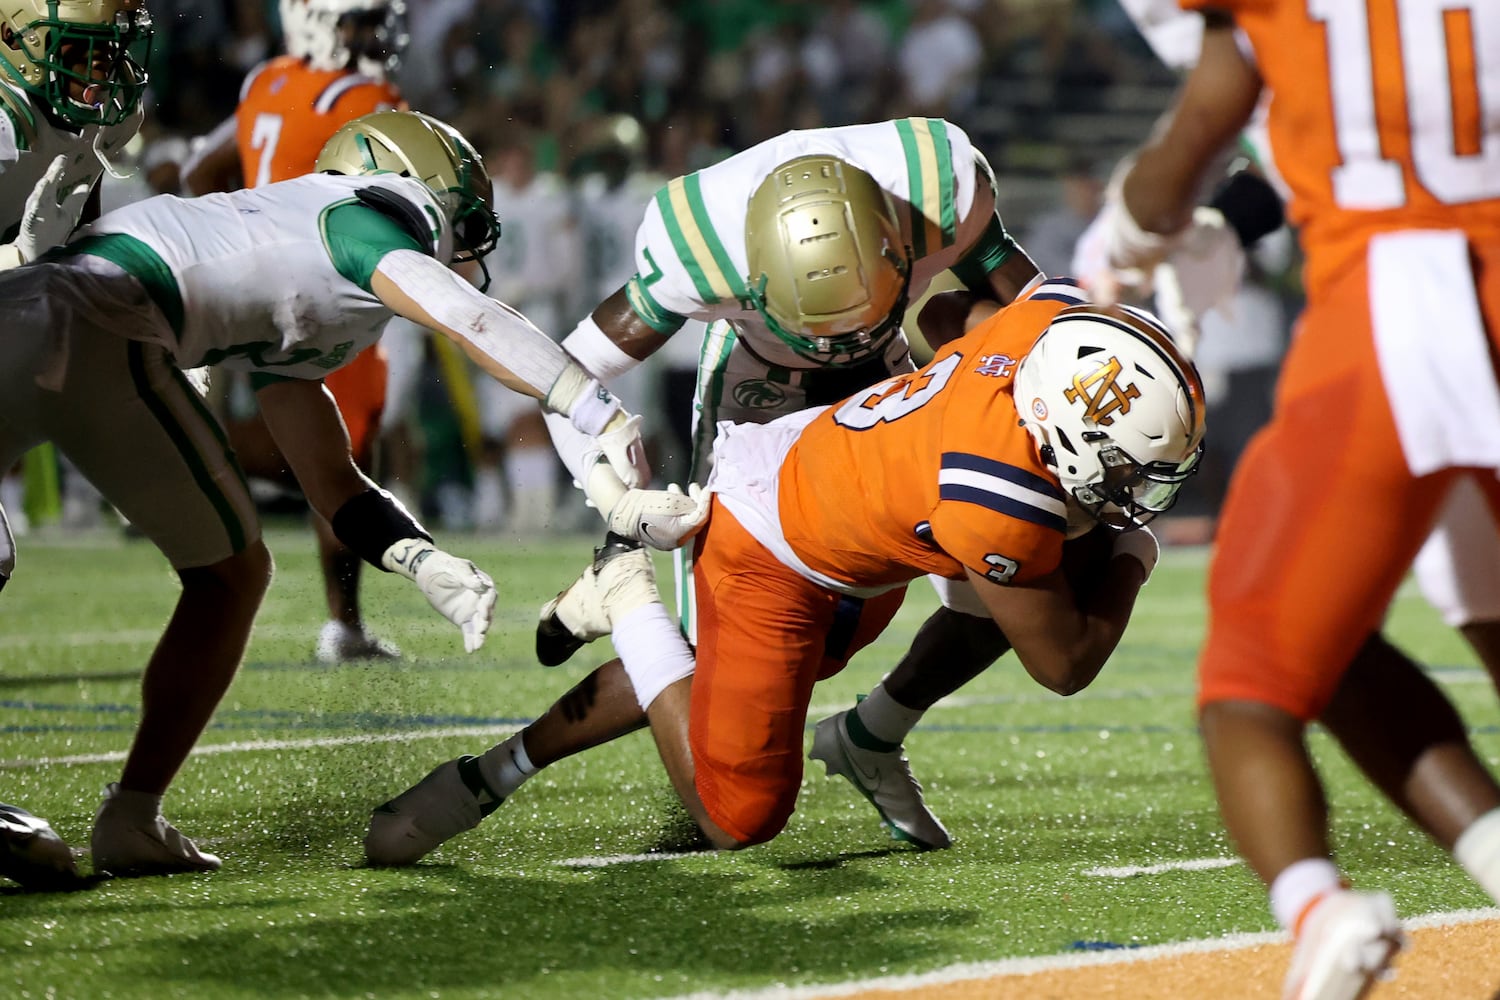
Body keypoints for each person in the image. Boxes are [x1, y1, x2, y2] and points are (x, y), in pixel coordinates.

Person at [0, 109, 657, 886]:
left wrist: (422, 562)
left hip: (80, 322)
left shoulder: (308, 270)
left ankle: (134, 817)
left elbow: (329, 476)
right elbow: (469, 317)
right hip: (90, 316)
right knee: (220, 572)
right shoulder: (355, 224)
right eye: (464, 211)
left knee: (233, 575)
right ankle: (128, 814)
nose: (472, 238)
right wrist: (595, 407)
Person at [365, 116, 1048, 860]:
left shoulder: (939, 183)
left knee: (1011, 547)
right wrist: (616, 501)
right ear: (748, 280)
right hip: (761, 395)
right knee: (707, 649)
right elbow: (561, 382)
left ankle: (875, 731)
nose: (834, 347)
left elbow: (1036, 308)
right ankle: (494, 770)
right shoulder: (696, 249)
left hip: (888, 374)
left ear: (897, 243)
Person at [364, 284, 1204, 862]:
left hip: (846, 498)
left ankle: (867, 736)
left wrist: (942, 406)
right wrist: (1136, 552)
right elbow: (1065, 664)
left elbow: (947, 310)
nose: (1140, 493)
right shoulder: (999, 498)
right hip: (771, 551)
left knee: (702, 677)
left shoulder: (1050, 331)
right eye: (1133, 472)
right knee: (739, 817)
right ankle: (625, 593)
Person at [1093, 3, 1500, 997]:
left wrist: (1127, 232)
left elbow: (1209, 117)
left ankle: (1317, 903)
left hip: (1389, 315)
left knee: (1258, 667)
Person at [181, 0, 417, 664]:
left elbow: (201, 168)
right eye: (359, 22)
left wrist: (235, 244)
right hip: (324, 289)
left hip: (256, 287)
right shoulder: (366, 95)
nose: (373, 35)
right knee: (339, 456)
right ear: (317, 20)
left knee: (338, 456)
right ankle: (179, 447)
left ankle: (344, 626)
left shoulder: (268, 81)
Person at [0, 0, 155, 890]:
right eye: (85, 53)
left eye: (115, 53)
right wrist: (19, 258)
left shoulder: (87, 125)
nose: (105, 74)